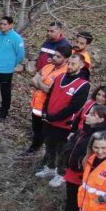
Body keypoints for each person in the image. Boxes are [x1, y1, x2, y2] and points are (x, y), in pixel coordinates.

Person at [54, 105, 106, 211]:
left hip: (84, 175)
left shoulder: (103, 136)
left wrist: (81, 163)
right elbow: (72, 142)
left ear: (101, 119)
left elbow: (98, 157)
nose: (87, 116)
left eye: (92, 114)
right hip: (73, 171)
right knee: (71, 199)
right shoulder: (86, 129)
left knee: (76, 201)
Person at [36, 53, 91, 181]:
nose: (70, 66)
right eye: (69, 63)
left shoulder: (83, 85)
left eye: (73, 64)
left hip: (64, 124)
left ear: (81, 65)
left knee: (62, 150)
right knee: (49, 146)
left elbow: (74, 107)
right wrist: (45, 112)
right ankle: (49, 168)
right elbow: (49, 96)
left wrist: (55, 117)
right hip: (49, 120)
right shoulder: (60, 77)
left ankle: (60, 174)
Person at [25, 46, 70, 154]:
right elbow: (32, 80)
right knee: (36, 130)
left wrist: (39, 82)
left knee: (43, 132)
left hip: (47, 108)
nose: (54, 58)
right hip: (36, 105)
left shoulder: (64, 74)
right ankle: (34, 148)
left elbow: (50, 91)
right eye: (54, 55)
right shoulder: (48, 66)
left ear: (66, 59)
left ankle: (38, 150)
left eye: (58, 57)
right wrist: (42, 85)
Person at [0, 16, 25, 121]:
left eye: (5, 24)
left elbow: (20, 54)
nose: (2, 26)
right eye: (1, 24)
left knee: (5, 92)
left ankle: (3, 113)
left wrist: (11, 64)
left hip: (6, 71)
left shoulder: (16, 38)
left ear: (11, 25)